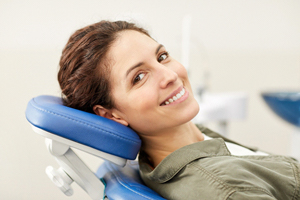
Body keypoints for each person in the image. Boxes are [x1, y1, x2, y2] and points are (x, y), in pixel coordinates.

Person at [58, 20, 300, 200]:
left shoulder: (194, 141)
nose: (171, 75)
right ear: (111, 115)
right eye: (139, 77)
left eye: (162, 57)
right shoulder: (226, 189)